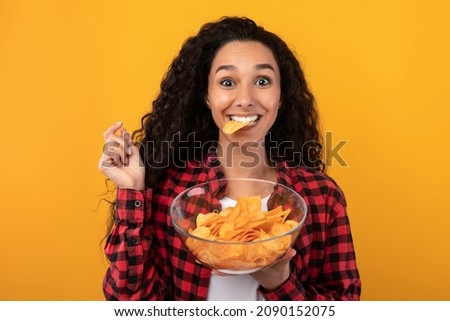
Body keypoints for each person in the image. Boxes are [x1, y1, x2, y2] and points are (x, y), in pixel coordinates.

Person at [98, 16, 361, 300]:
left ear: (281, 96)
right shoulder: (171, 192)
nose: (245, 98)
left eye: (262, 81)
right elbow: (128, 302)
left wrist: (279, 282)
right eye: (227, 81)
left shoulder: (321, 197)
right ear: (207, 96)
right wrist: (132, 188)